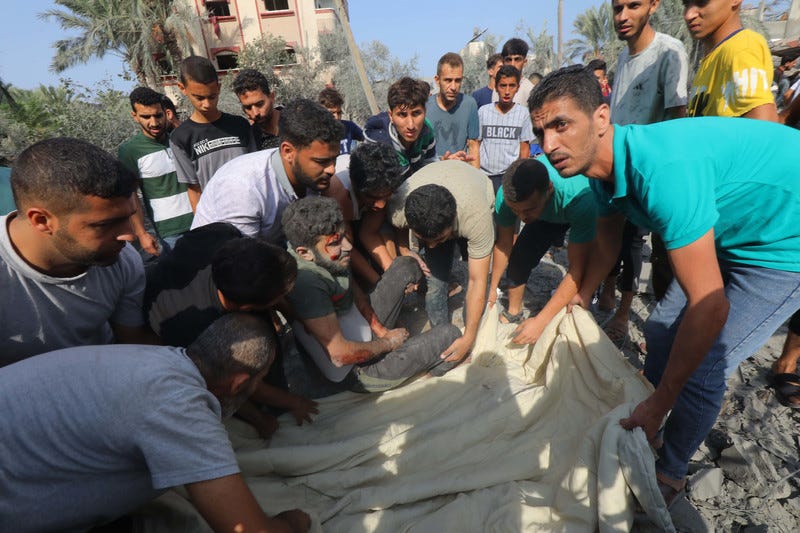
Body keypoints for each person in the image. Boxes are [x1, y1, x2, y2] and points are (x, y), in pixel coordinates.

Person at [529, 66, 800, 505]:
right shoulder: (601, 174)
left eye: (561, 125)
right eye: (540, 131)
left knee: (706, 367)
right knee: (658, 331)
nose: (549, 145)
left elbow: (710, 307)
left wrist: (665, 398)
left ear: (601, 117)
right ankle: (643, 411)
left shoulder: (661, 172)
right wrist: (552, 317)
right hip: (732, 226)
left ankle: (670, 469)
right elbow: (602, 254)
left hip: (783, 242)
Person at [0, 313, 311, 533]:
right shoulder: (177, 403)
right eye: (257, 382)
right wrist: (294, 522)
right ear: (238, 383)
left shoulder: (155, 360)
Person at [145, 222, 317, 437]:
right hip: (158, 323)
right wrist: (289, 405)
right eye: (278, 298)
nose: (282, 301)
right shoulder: (198, 331)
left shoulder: (220, 235)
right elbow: (224, 384)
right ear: (247, 308)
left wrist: (295, 314)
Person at [0, 138, 155, 368]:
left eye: (128, 217)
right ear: (41, 220)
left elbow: (133, 343)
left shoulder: (121, 260)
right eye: (105, 224)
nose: (129, 236)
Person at [283, 196, 461, 392]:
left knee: (406, 266)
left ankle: (400, 357)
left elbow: (355, 292)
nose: (348, 247)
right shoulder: (307, 284)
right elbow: (340, 356)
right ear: (304, 253)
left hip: (359, 329)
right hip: (354, 371)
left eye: (344, 236)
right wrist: (388, 343)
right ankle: (429, 373)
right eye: (336, 242)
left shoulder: (324, 253)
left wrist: (380, 330)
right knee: (451, 335)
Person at [599, 0, 689, 346]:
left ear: (653, 5)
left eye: (633, 5)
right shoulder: (623, 57)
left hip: (653, 174)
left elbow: (676, 119)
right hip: (620, 169)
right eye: (617, 7)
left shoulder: (669, 51)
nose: (623, 16)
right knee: (615, 238)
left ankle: (628, 314)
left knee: (644, 247)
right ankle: (608, 290)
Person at [191, 99, 342, 244]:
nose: (332, 169)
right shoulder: (244, 188)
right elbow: (241, 260)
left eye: (334, 159)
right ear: (288, 151)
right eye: (321, 161)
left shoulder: (313, 178)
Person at [386, 160, 495, 362]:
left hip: (474, 190)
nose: (432, 246)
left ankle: (464, 337)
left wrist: (469, 337)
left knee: (475, 268)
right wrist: (404, 250)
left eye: (440, 239)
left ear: (453, 221)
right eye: (425, 240)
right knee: (436, 282)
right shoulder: (400, 207)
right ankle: (442, 335)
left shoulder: (477, 218)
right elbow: (396, 228)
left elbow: (476, 280)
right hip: (438, 190)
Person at [488, 158, 597, 345]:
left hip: (582, 207)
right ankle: (514, 312)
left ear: (549, 189)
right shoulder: (507, 198)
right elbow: (504, 244)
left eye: (527, 210)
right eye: (516, 211)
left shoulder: (580, 199)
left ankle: (605, 300)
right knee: (520, 257)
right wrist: (492, 289)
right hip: (545, 213)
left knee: (594, 266)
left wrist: (540, 322)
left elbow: (576, 268)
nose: (522, 217)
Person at [170, 56, 255, 210]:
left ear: (219, 87)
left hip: (252, 209)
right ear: (182, 88)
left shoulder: (240, 125)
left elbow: (256, 171)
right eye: (199, 98)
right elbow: (194, 190)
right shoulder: (180, 138)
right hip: (217, 218)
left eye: (212, 96)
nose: (207, 104)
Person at [119, 87, 194, 258]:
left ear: (165, 113)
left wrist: (176, 124)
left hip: (201, 221)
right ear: (135, 116)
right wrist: (142, 233)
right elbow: (131, 196)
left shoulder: (179, 139)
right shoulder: (130, 151)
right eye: (146, 117)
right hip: (170, 232)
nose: (153, 122)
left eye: (158, 115)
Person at [325, 142, 407, 288]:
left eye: (386, 197)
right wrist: (379, 282)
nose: (381, 205)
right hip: (338, 225)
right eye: (374, 198)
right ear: (356, 187)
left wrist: (394, 276)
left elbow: (369, 233)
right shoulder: (338, 194)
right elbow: (346, 246)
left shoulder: (383, 183)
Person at [685, 0, 777, 120]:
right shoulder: (716, 55)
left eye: (702, 2)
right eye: (686, 4)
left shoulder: (741, 47)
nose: (689, 15)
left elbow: (763, 126)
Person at [364, 76, 437, 177]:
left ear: (425, 112)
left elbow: (430, 166)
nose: (411, 125)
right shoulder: (377, 141)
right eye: (402, 115)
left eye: (416, 113)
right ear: (391, 116)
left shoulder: (427, 130)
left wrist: (443, 165)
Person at [478, 65, 534, 192]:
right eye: (503, 86)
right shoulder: (483, 112)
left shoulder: (523, 114)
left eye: (512, 86)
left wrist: (521, 177)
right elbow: (476, 144)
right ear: (496, 87)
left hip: (509, 177)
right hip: (485, 176)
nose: (507, 91)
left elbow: (524, 150)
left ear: (517, 88)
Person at [425, 52, 480, 167]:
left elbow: (473, 145)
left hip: (460, 173)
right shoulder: (425, 107)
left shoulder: (469, 104)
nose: (453, 87)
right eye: (448, 80)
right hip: (432, 171)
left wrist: (476, 177)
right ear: (437, 80)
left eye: (458, 80)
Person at [233, 68, 282, 150]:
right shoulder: (250, 140)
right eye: (248, 107)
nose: (255, 113)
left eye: (259, 104)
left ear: (272, 97)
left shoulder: (298, 122)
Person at [319, 86, 364, 156]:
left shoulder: (349, 126)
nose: (336, 117)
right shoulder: (315, 133)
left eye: (339, 113)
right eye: (332, 113)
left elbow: (368, 139)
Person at [492, 38, 535, 108]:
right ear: (503, 62)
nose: (512, 64)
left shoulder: (529, 90)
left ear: (524, 62)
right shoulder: (498, 88)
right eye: (508, 60)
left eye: (517, 59)